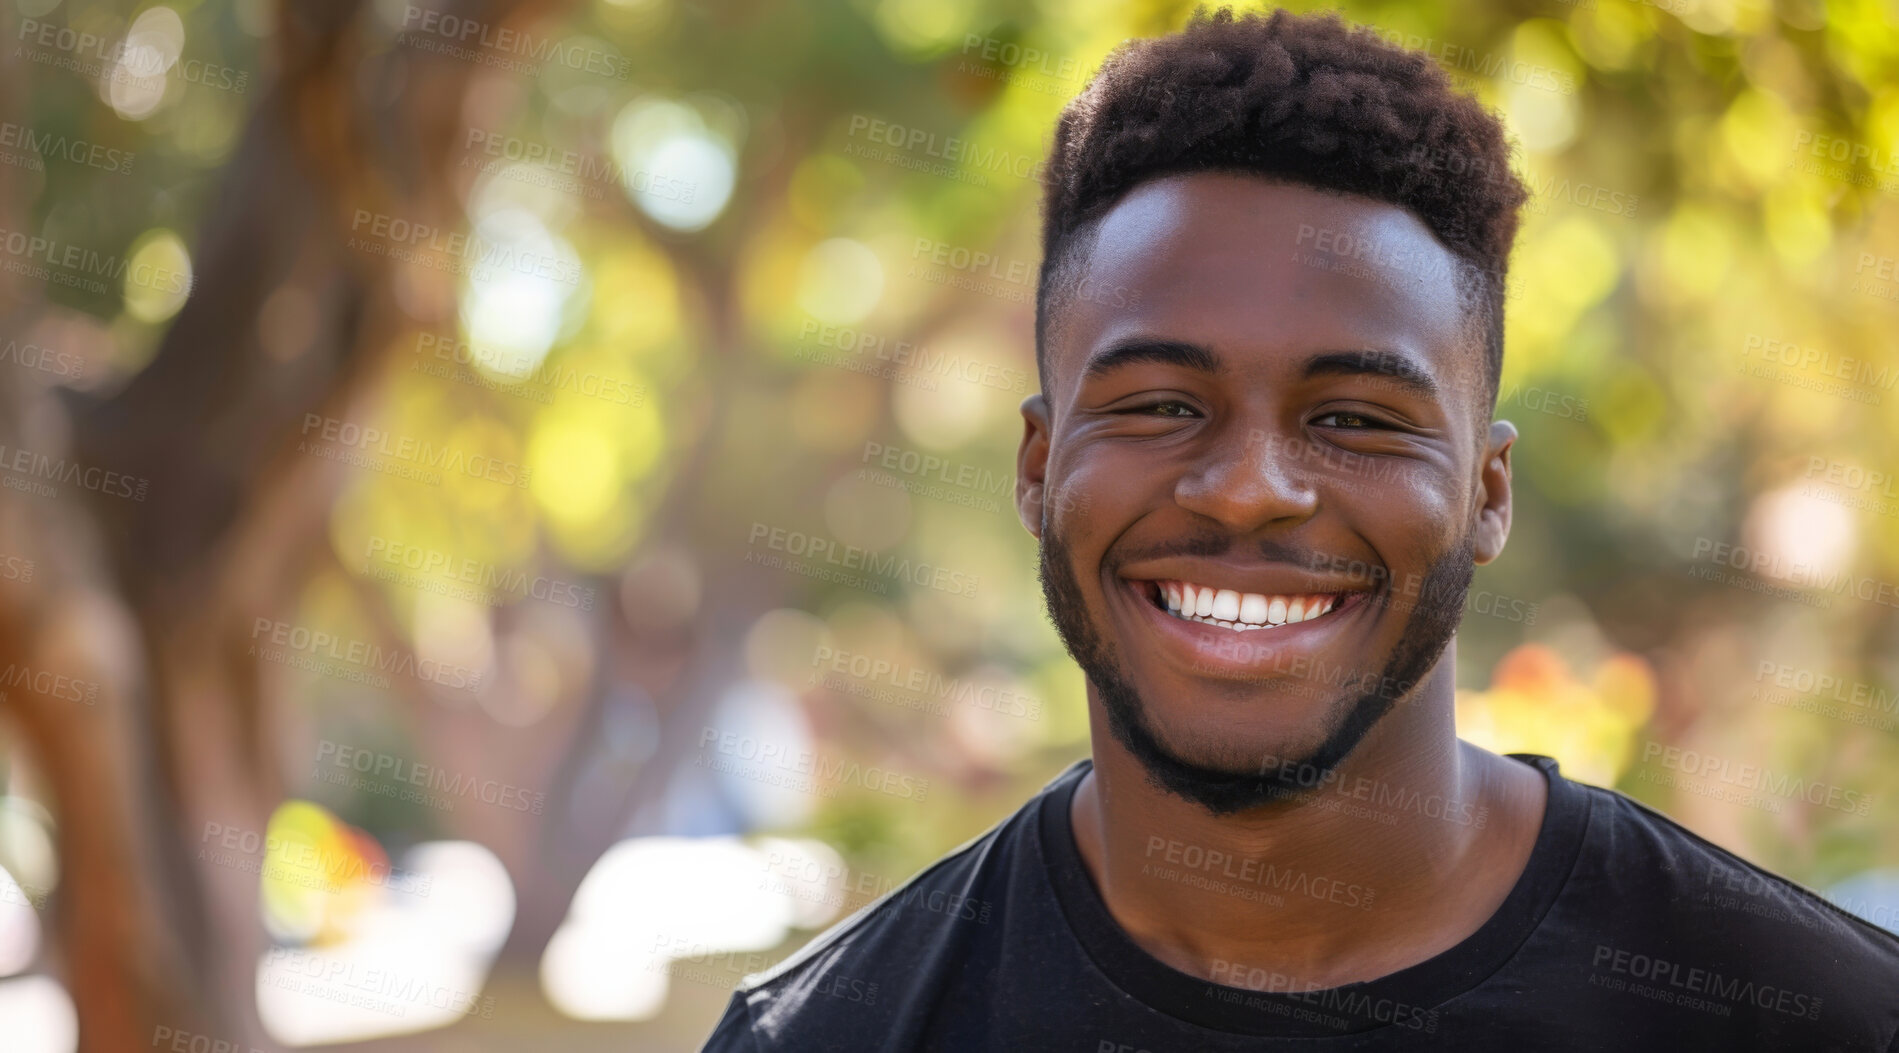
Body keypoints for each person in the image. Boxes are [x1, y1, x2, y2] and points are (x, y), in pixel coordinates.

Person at [701, 7, 1899, 1050]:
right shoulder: (836, 1031)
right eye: (1163, 405)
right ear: (1038, 464)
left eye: (1357, 418)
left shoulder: (1813, 1016)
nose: (1247, 488)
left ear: (1488, 493)